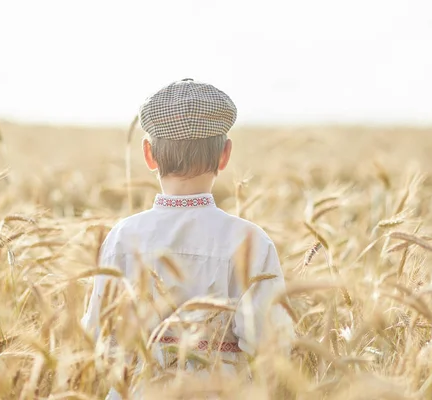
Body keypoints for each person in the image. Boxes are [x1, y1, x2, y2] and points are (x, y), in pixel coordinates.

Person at [81, 78, 294, 397]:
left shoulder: (123, 237)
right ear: (225, 155)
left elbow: (97, 335)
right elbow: (272, 344)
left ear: (148, 155)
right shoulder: (251, 240)